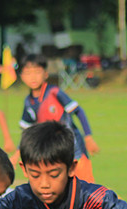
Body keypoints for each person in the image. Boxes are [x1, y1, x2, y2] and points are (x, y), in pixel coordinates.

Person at [14, 54, 100, 182]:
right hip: (52, 153)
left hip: (75, 150)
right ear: (21, 76)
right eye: (28, 73)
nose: (33, 77)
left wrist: (88, 137)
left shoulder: (54, 92)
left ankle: (113, 201)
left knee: (87, 190)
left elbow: (78, 111)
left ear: (46, 74)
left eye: (37, 72)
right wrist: (16, 154)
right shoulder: (28, 102)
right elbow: (27, 131)